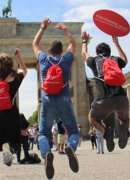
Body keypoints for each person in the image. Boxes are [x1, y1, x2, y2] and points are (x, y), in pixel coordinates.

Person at [33, 17, 79, 179]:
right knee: (73, 131)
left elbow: (35, 44)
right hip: (64, 99)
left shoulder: (44, 60)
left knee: (44, 133)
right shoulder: (66, 60)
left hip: (47, 100)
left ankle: (46, 154)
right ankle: (71, 148)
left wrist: (43, 27)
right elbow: (73, 44)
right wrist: (65, 29)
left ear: (49, 50)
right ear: (61, 51)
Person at [81, 31, 130, 152]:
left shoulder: (94, 61)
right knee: (125, 119)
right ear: (109, 52)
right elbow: (125, 59)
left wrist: (84, 41)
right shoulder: (115, 60)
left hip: (104, 100)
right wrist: (117, 44)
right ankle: (124, 128)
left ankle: (106, 132)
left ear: (97, 53)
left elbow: (84, 54)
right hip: (122, 98)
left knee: (92, 117)